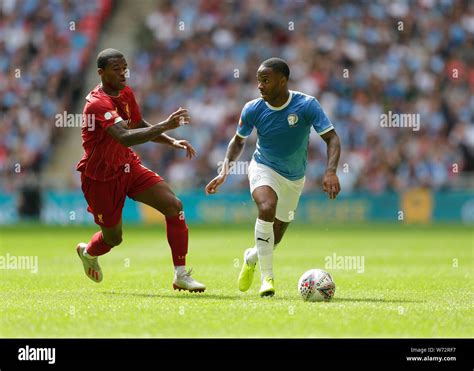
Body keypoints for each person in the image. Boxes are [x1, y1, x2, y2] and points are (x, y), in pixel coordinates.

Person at [205, 58, 341, 297]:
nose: (260, 86)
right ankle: (267, 279)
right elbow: (238, 141)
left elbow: (332, 138)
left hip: (294, 178)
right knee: (267, 207)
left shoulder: (307, 105)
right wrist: (225, 170)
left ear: (282, 81)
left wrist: (330, 171)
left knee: (274, 236)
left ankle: (251, 256)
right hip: (263, 167)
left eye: (265, 80)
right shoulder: (253, 109)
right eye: (258, 81)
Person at [76, 48, 205, 292]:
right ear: (101, 73)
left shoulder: (125, 93)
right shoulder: (96, 104)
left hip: (128, 166)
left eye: (125, 67)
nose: (124, 73)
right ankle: (87, 251)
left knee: (173, 205)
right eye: (117, 69)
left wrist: (170, 139)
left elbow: (137, 124)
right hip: (100, 177)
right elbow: (124, 136)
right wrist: (165, 124)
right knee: (114, 238)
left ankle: (181, 274)